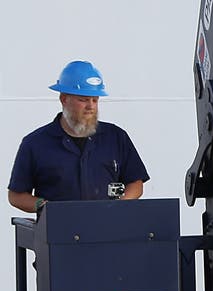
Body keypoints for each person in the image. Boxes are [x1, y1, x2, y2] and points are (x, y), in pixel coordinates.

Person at [9, 59, 149, 214]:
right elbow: (16, 195)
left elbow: (135, 182)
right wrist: (45, 206)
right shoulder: (35, 143)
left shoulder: (116, 137)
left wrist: (118, 208)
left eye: (95, 100)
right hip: (58, 233)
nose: (90, 106)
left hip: (108, 230)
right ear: (63, 99)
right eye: (83, 99)